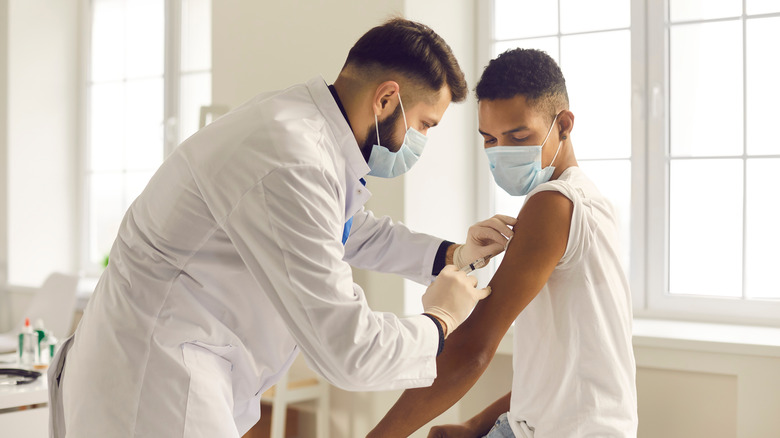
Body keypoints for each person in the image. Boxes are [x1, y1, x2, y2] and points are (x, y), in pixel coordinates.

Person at [48, 18, 516, 437]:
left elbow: (348, 229)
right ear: (387, 98)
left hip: (165, 365)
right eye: (423, 125)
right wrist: (440, 320)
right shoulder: (292, 159)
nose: (421, 142)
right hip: (154, 386)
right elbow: (349, 352)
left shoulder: (299, 127)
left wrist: (453, 255)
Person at [368, 48, 638, 437]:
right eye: (490, 139)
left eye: (518, 136)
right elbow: (559, 370)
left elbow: (473, 347)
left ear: (563, 124)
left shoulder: (554, 204)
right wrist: (476, 424)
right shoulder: (589, 200)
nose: (502, 151)